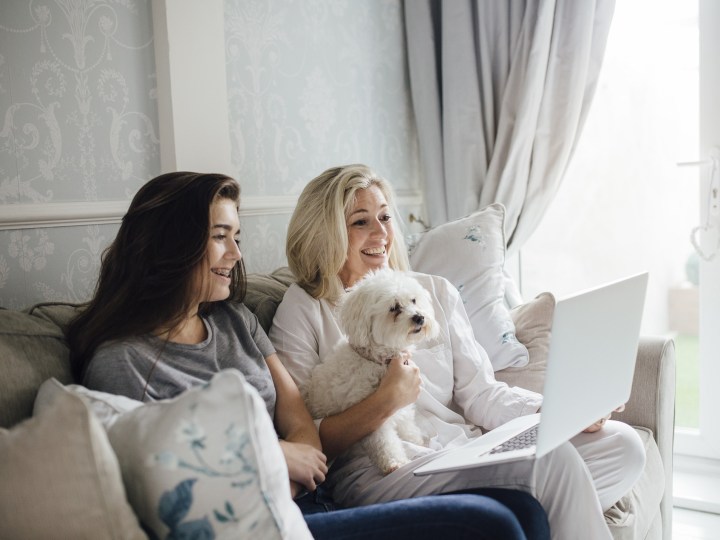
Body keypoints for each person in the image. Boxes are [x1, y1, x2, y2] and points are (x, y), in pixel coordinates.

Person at [66, 171, 547, 540]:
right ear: (168, 245)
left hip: (309, 501)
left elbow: (301, 423)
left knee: (522, 509)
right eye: (219, 236)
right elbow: (152, 473)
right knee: (490, 521)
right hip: (254, 524)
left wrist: (298, 453)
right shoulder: (121, 359)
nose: (235, 254)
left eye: (237, 237)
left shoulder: (237, 323)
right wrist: (277, 457)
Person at [269, 163, 646, 540]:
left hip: (464, 448)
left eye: (384, 217)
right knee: (553, 462)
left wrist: (555, 412)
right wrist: (385, 401)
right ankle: (522, 503)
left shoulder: (433, 292)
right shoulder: (303, 307)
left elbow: (482, 393)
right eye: (361, 222)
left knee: (622, 446)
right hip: (383, 468)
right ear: (327, 231)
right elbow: (307, 436)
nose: (381, 232)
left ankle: (519, 506)